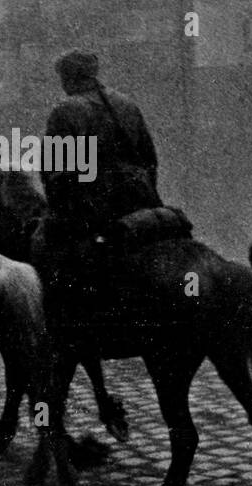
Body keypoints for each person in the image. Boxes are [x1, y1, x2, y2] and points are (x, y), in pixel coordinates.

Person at [32, 49, 163, 316]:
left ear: (68, 78)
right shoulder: (126, 103)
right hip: (140, 198)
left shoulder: (65, 110)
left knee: (44, 249)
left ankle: (65, 326)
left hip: (92, 205)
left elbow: (53, 170)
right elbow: (150, 159)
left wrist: (57, 208)